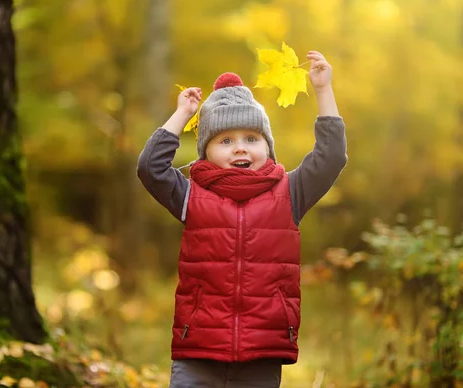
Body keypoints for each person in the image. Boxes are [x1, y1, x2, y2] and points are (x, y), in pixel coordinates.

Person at [137, 51, 347, 388]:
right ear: (205, 150)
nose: (240, 149)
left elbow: (331, 157)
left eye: (252, 139)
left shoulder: (290, 193)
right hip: (198, 351)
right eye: (225, 141)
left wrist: (323, 91)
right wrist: (181, 114)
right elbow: (151, 168)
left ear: (268, 146)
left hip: (262, 350)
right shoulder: (191, 194)